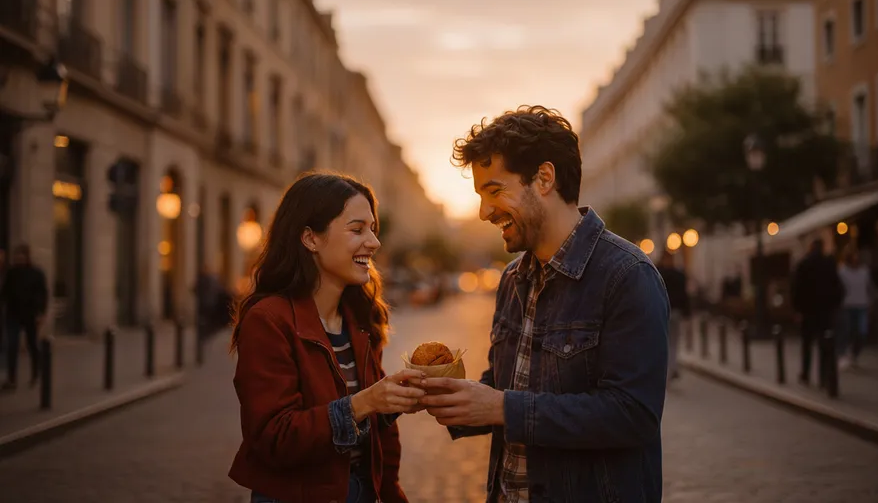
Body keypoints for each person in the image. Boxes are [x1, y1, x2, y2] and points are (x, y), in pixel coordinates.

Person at [419, 105, 670, 502]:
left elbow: (633, 415)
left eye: (495, 191)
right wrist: (453, 396)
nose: (484, 212)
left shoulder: (627, 276)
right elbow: (508, 387)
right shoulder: (512, 279)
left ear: (544, 179)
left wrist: (502, 408)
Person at [228, 172, 425, 503]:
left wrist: (392, 402)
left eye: (373, 229)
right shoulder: (268, 320)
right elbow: (274, 439)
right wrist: (366, 401)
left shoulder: (360, 317)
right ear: (310, 238)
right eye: (357, 229)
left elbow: (380, 435)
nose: (374, 242)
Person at [791, 238, 844, 385]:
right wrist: (835, 306)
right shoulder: (829, 264)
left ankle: (805, 374)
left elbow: (796, 289)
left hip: (807, 311)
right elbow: (838, 288)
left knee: (807, 344)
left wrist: (797, 310)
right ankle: (823, 376)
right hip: (825, 311)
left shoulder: (804, 264)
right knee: (824, 345)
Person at [0, 244, 48, 390]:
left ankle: (35, 373)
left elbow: (42, 294)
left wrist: (40, 313)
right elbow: (4, 292)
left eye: (21, 255)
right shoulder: (11, 273)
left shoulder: (36, 273)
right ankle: (12, 379)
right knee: (12, 345)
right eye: (17, 256)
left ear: (27, 257)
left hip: (30, 315)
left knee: (32, 345)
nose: (18, 258)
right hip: (13, 314)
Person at [656, 249, 690, 381]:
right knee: (673, 341)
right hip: (674, 311)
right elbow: (684, 296)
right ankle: (672, 367)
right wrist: (687, 313)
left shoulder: (658, 273)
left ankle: (670, 368)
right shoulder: (678, 274)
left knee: (666, 341)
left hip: (664, 312)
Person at [837, 249, 870, 368]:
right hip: (847, 305)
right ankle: (843, 354)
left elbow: (868, 287)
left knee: (862, 332)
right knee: (847, 331)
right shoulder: (842, 272)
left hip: (862, 305)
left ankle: (854, 354)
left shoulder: (864, 272)